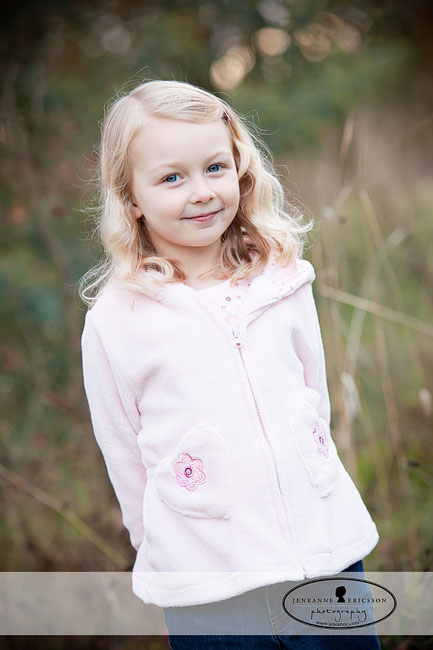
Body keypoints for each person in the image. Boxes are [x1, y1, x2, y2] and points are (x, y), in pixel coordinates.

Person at [79, 79, 381, 649]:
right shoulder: (117, 320)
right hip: (211, 586)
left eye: (215, 168)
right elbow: (123, 453)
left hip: (325, 560)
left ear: (240, 171)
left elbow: (312, 401)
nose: (202, 192)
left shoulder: (283, 278)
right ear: (130, 198)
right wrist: (168, 559)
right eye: (172, 178)